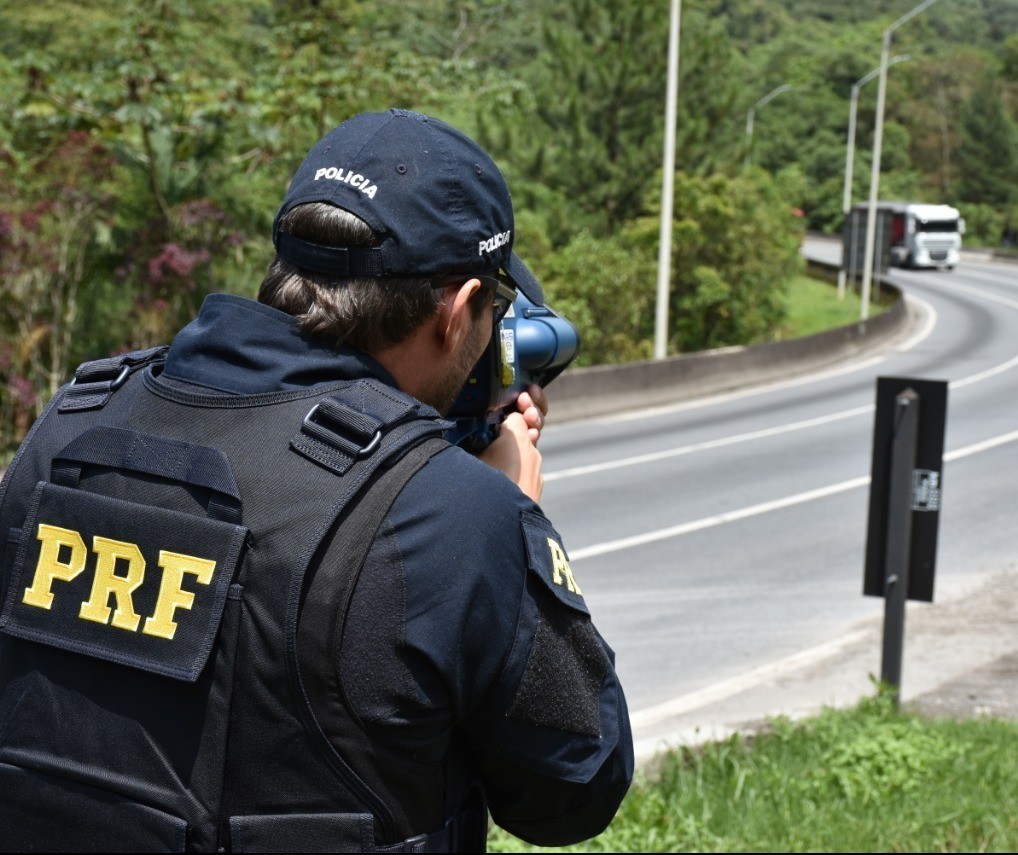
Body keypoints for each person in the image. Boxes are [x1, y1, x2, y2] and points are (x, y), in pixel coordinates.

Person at [0, 108, 633, 853]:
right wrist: (510, 517)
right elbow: (573, 790)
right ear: (459, 312)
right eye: (492, 307)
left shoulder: (72, 422)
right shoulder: (454, 516)